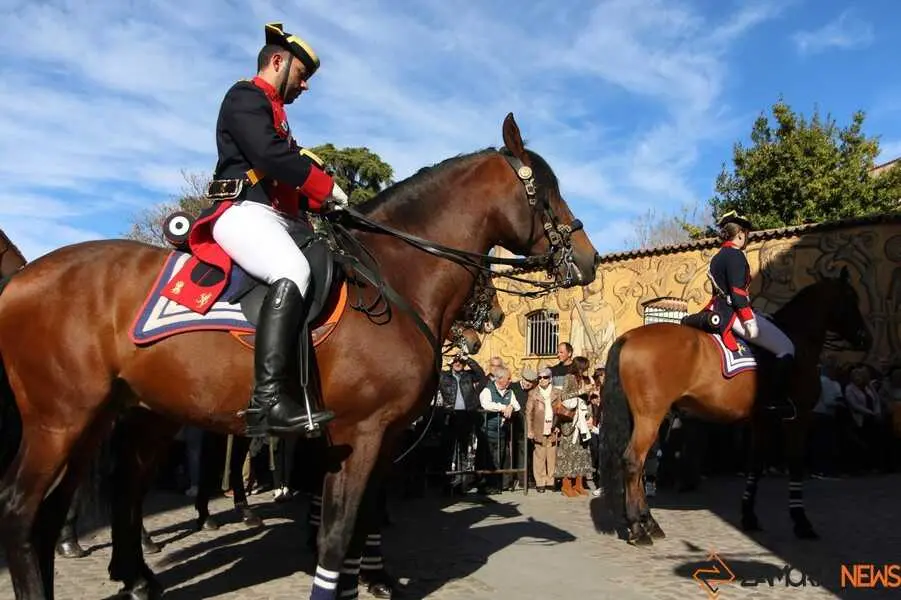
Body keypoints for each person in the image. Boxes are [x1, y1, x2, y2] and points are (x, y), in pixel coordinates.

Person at [193, 23, 350, 436]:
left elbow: (285, 181)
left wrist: (324, 202)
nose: (305, 85)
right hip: (241, 211)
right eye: (302, 74)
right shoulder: (245, 96)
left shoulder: (277, 115)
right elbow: (269, 156)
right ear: (277, 61)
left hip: (273, 216)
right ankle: (266, 402)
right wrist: (323, 186)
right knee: (292, 271)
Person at [705, 211, 796, 418]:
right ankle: (775, 401)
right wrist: (749, 319)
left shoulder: (717, 257)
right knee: (786, 347)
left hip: (715, 309)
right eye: (746, 234)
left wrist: (754, 311)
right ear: (740, 234)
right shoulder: (736, 255)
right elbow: (737, 293)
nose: (747, 238)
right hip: (734, 314)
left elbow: (723, 292)